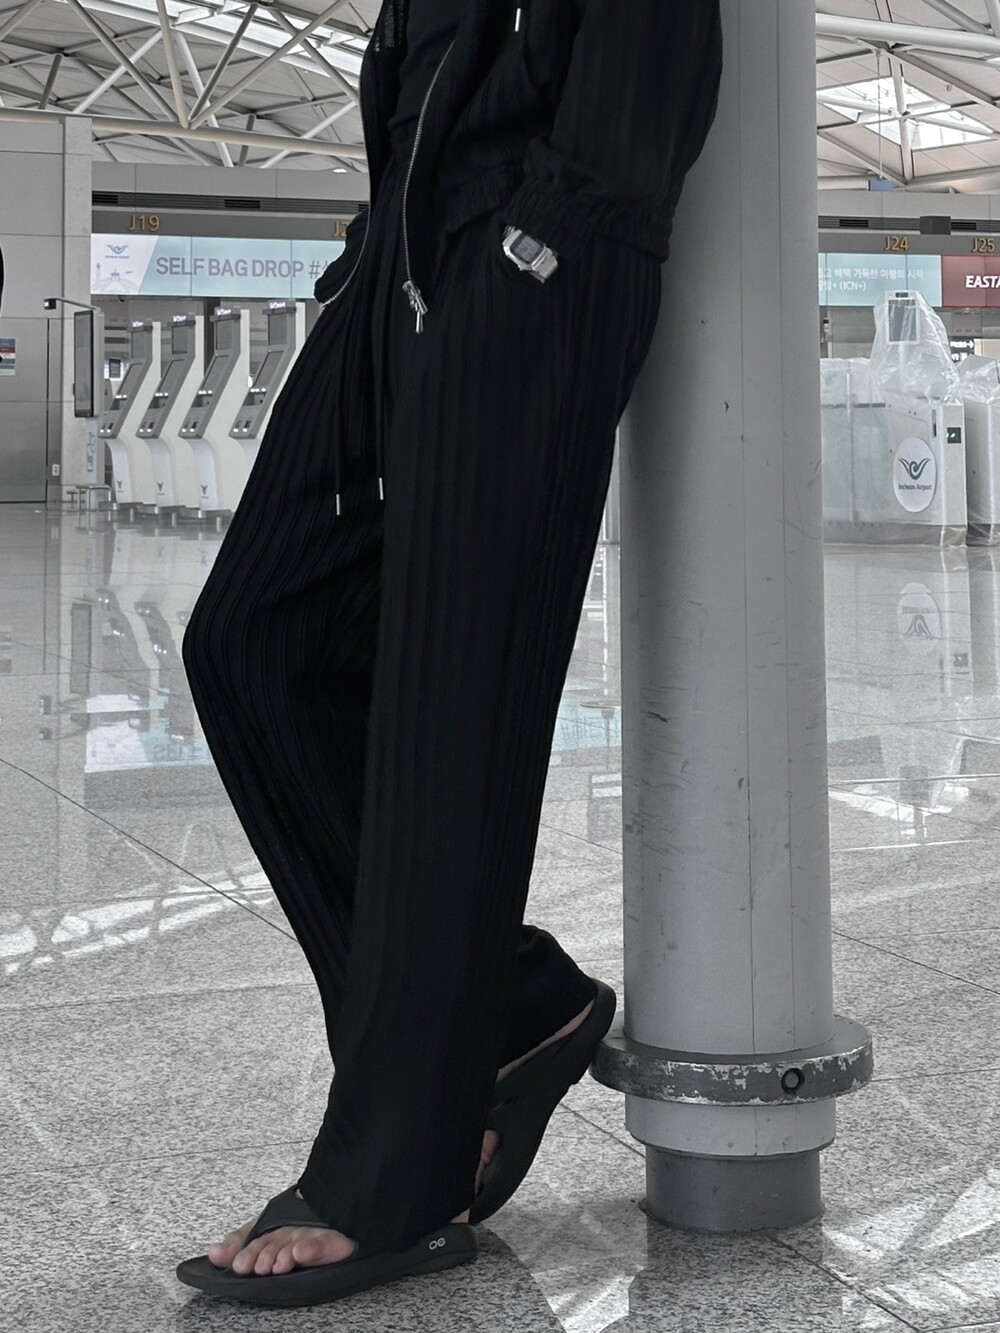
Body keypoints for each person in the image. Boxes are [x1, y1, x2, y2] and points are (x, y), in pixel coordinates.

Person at [176, 0, 723, 1310]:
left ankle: (399, 1166)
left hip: (530, 250)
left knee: (446, 706)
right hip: (402, 257)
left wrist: (543, 240)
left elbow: (648, 66)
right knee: (254, 643)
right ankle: (509, 1004)